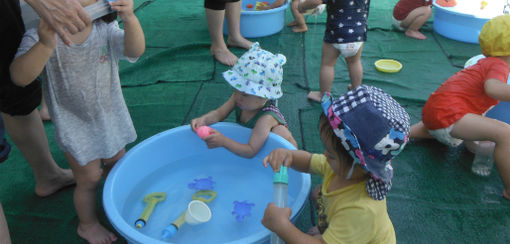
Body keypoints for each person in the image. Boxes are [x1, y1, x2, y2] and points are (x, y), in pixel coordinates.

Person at [9, 0, 145, 244]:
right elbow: (19, 77)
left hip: (110, 114)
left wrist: (131, 19)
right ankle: (87, 224)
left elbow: (135, 50)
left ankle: (120, 204)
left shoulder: (103, 31)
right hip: (75, 124)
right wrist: (45, 44)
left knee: (117, 162)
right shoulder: (38, 34)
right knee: (89, 179)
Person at [261, 85, 410, 243]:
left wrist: (282, 226)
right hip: (347, 226)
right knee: (319, 192)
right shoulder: (343, 168)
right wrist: (289, 155)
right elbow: (308, 161)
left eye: (331, 154)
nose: (325, 155)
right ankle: (331, 232)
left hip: (357, 230)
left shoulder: (360, 209)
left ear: (360, 164)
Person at [410, 14, 510, 200]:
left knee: (441, 127)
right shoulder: (499, 65)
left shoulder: (485, 63)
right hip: (450, 116)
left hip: (434, 112)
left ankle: (403, 134)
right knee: (505, 133)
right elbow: (493, 88)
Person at [190, 42, 297, 157]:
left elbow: (250, 151)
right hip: (254, 139)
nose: (238, 96)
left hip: (274, 151)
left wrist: (223, 141)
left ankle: (294, 156)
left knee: (280, 132)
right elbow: (219, 113)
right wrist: (204, 120)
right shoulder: (239, 97)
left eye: (245, 93)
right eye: (237, 89)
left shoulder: (266, 118)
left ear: (265, 96)